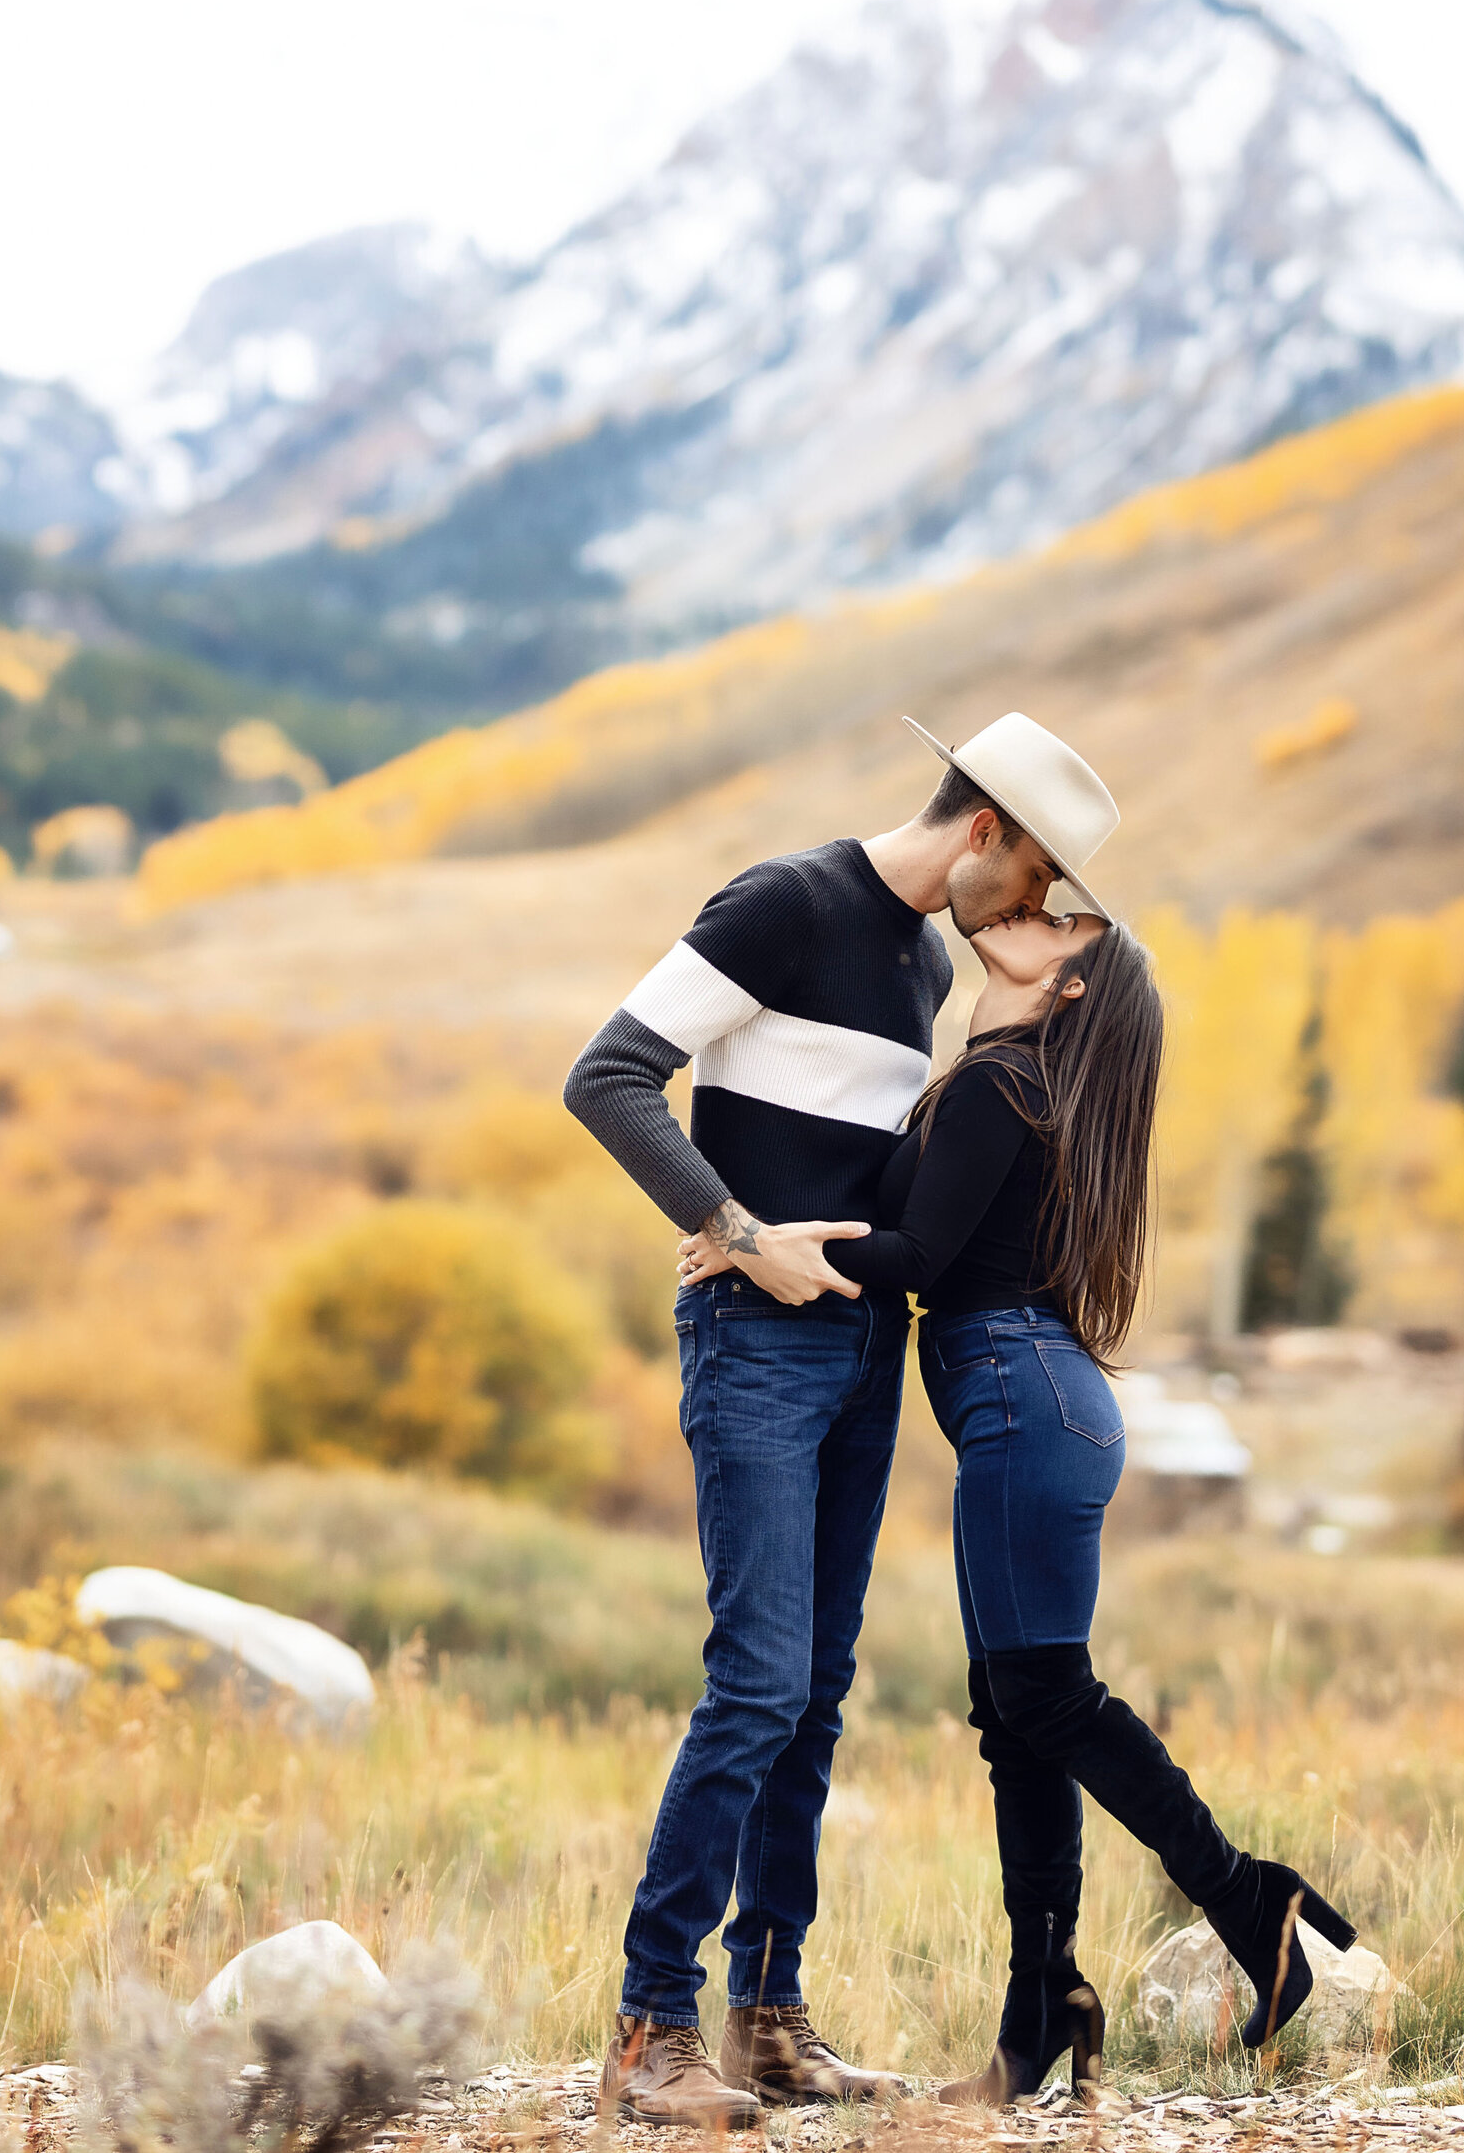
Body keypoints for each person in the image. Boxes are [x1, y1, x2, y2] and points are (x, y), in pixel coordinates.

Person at [679, 761, 1359, 2104]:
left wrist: (760, 1245)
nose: (1034, 910)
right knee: (1017, 1711)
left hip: (1019, 1400)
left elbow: (919, 1246)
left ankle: (1250, 1903)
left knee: (1044, 1695)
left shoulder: (1005, 1086)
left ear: (1068, 988)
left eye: (1061, 923)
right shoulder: (998, 1076)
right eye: (1046, 897)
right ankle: (1040, 2007)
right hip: (1034, 1402)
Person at [564, 711, 1122, 2127]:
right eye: (1042, 871)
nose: (1043, 908)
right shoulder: (785, 902)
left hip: (861, 1347)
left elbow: (886, 1182)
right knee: (755, 1680)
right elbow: (608, 1075)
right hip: (754, 1341)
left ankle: (765, 2017)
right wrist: (738, 1231)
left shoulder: (933, 960)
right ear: (985, 828)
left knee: (814, 1692)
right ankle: (649, 2030)